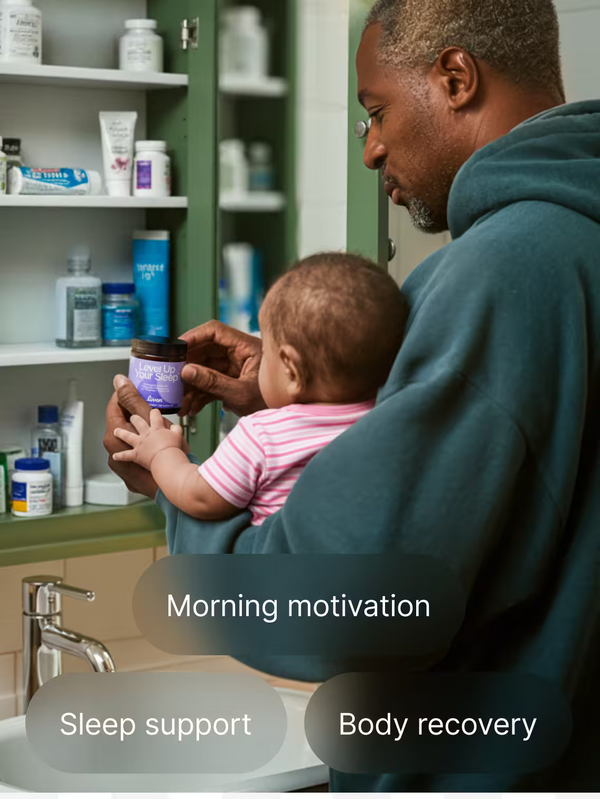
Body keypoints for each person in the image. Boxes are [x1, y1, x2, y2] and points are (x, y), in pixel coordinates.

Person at [105, 0, 599, 791]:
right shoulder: (577, 242)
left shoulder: (496, 274)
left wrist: (183, 483)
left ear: (455, 76)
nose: (370, 151)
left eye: (376, 113)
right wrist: (298, 407)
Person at [110, 254, 405, 524]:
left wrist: (160, 450)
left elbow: (199, 496)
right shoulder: (388, 423)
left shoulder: (263, 435)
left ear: (290, 368)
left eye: (267, 345)